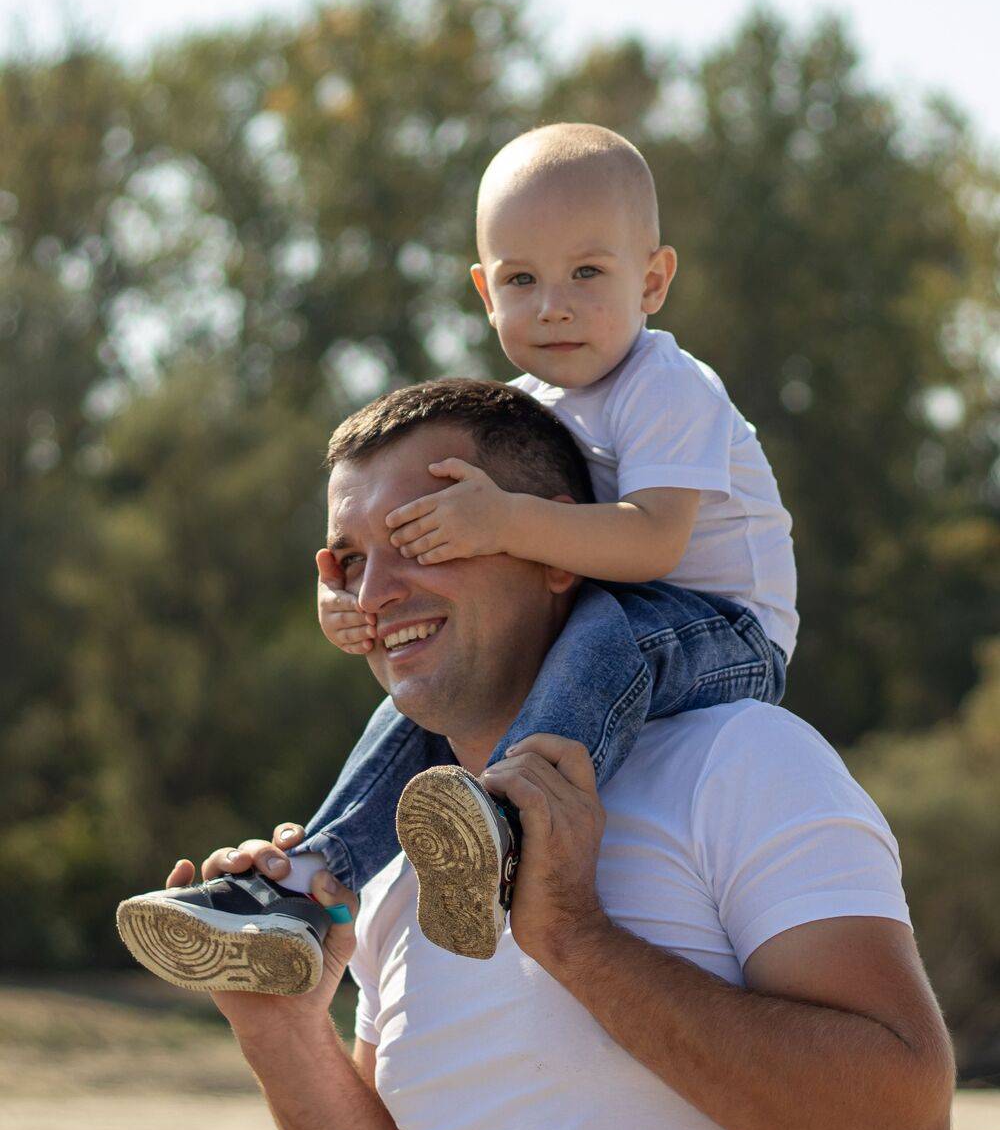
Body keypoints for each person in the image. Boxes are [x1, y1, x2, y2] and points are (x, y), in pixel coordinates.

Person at [159, 381, 953, 1130]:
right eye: (349, 562)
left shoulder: (741, 762)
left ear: (557, 551)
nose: (375, 593)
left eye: (420, 537)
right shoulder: (391, 861)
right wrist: (283, 1032)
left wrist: (576, 938)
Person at [117, 124, 798, 983]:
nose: (553, 305)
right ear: (484, 291)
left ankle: (508, 827)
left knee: (608, 627)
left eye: (588, 273)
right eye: (522, 279)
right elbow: (418, 541)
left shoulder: (667, 386)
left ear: (654, 280)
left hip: (729, 632)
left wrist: (504, 520)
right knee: (422, 696)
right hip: (613, 618)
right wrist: (353, 595)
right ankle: (307, 882)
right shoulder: (520, 413)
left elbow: (656, 540)